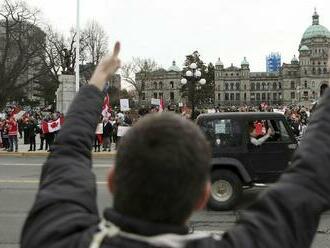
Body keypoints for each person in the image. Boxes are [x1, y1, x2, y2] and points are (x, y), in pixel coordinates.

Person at [21, 41, 330, 248]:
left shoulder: (55, 235)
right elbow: (308, 180)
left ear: (112, 182)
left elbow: (68, 153)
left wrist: (96, 81)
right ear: (202, 195)